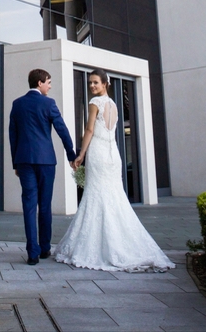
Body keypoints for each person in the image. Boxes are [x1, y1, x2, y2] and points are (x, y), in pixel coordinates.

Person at [54, 69, 174, 272]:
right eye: (90, 83)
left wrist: (81, 154)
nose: (92, 86)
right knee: (115, 198)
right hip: (113, 156)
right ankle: (123, 244)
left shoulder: (95, 103)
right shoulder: (114, 105)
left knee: (96, 197)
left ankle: (100, 247)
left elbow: (90, 130)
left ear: (104, 84)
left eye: (95, 83)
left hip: (99, 155)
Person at [9, 68, 76, 265]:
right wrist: (71, 154)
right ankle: (45, 248)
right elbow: (61, 129)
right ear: (39, 83)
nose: (50, 85)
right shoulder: (49, 103)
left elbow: (13, 135)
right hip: (46, 161)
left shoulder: (17, 104)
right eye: (48, 82)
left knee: (29, 205)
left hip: (24, 160)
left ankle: (32, 253)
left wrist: (16, 162)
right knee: (44, 205)